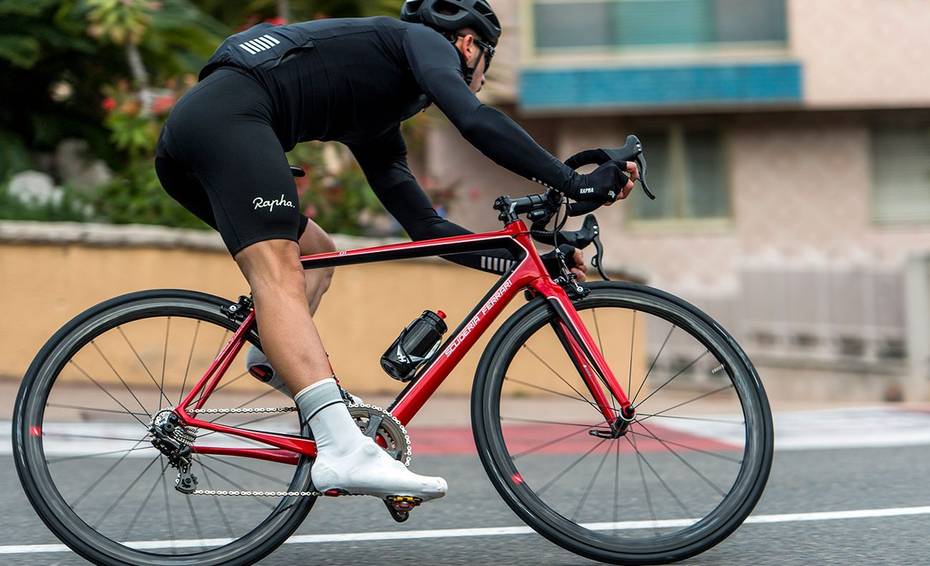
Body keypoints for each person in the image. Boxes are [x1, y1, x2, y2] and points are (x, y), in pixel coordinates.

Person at [154, 0, 638, 505]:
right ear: (468, 45)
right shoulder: (421, 40)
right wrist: (572, 182)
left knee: (313, 252)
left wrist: (540, 249)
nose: (479, 75)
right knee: (277, 271)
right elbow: (473, 119)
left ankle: (276, 359)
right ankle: (342, 448)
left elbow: (427, 229)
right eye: (485, 59)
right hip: (229, 116)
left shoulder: (377, 121)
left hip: (205, 128)